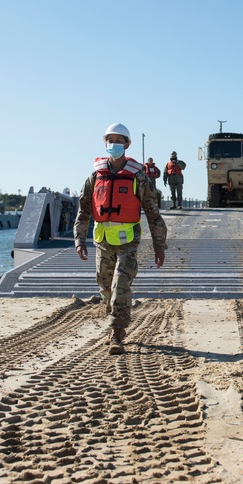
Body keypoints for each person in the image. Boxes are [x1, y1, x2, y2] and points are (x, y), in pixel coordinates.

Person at [74, 123, 167, 355]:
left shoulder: (138, 177)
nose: (113, 144)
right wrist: (78, 239)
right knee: (105, 288)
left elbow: (153, 212)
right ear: (105, 143)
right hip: (103, 240)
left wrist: (159, 245)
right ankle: (112, 323)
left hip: (128, 242)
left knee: (120, 287)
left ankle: (117, 334)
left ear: (127, 144)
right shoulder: (95, 175)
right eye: (110, 140)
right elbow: (84, 208)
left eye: (118, 140)